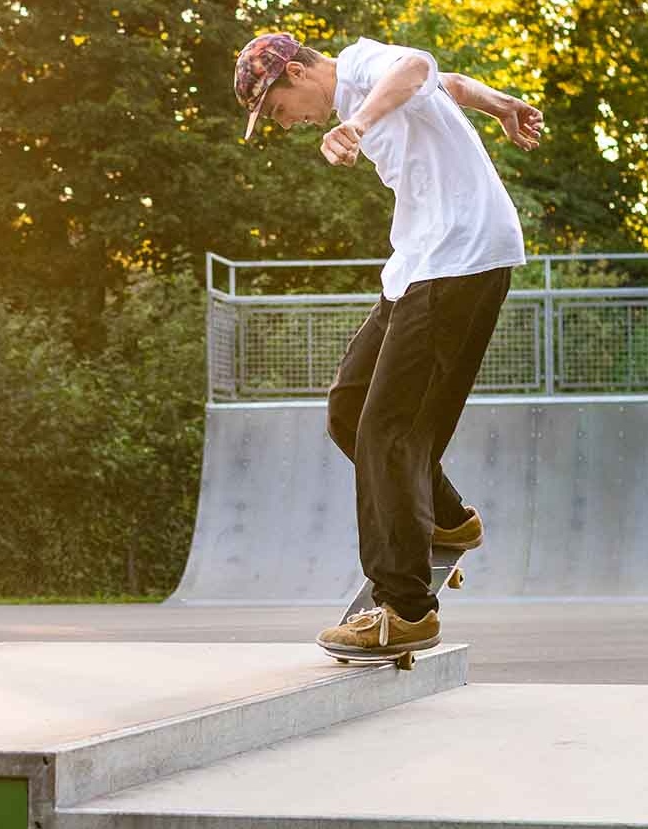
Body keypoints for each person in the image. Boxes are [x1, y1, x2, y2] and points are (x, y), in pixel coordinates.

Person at [232, 32, 544, 657]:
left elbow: (419, 65)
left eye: (276, 109)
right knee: (349, 407)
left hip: (460, 261)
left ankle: (402, 608)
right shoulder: (369, 86)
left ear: (295, 72)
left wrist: (358, 123)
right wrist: (500, 103)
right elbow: (447, 84)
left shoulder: (364, 69)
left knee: (388, 429)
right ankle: (449, 517)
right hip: (420, 263)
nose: (284, 124)